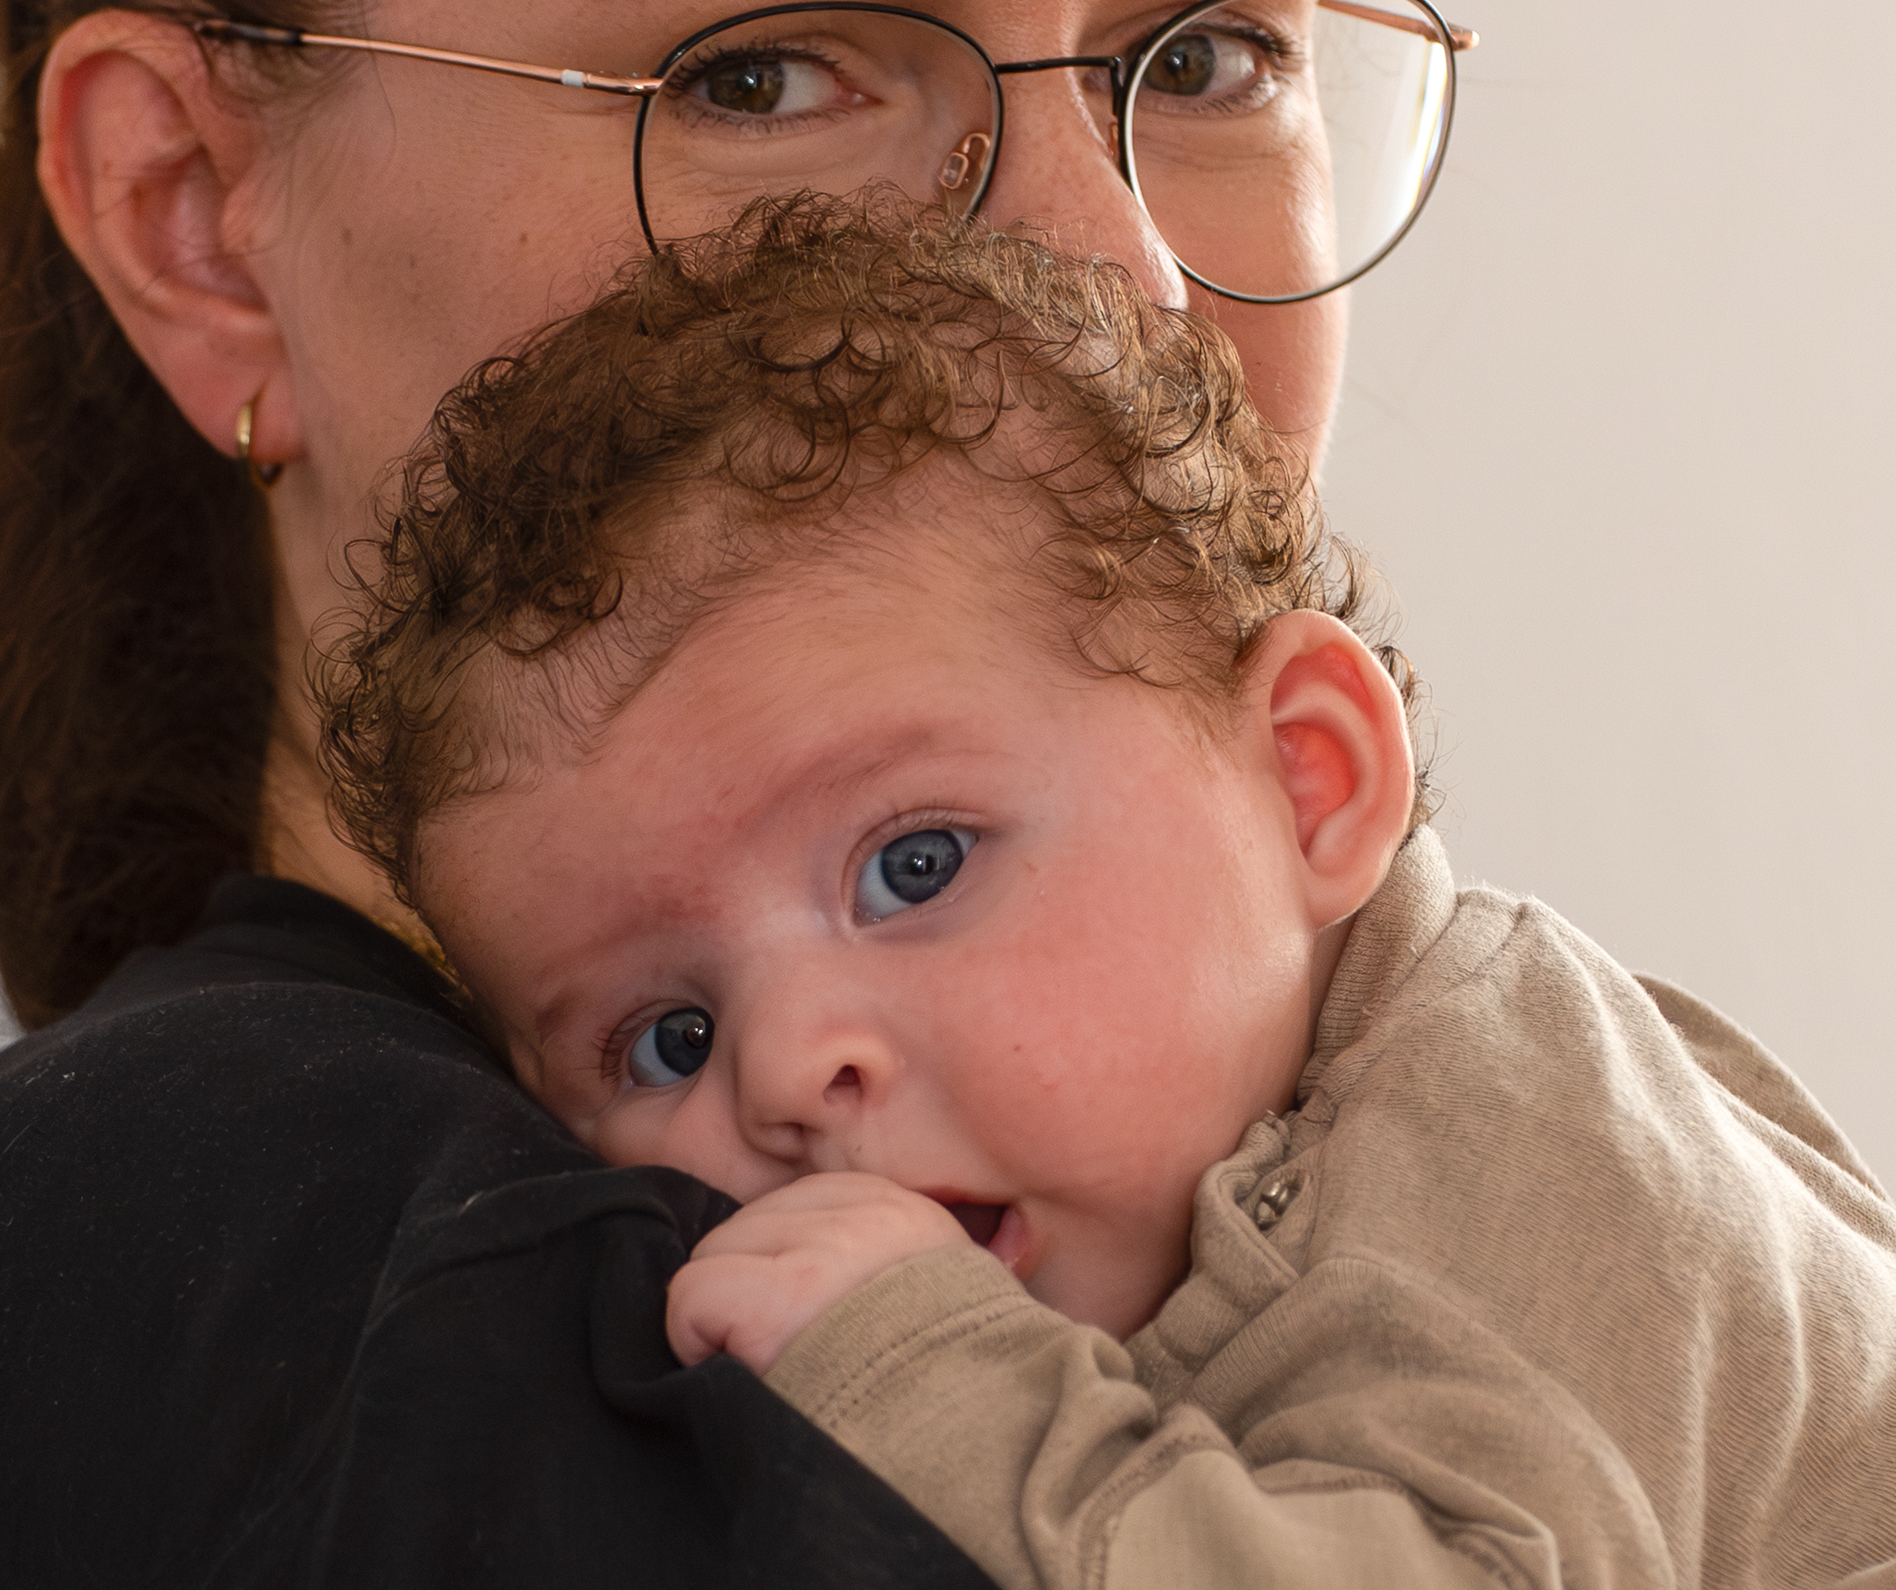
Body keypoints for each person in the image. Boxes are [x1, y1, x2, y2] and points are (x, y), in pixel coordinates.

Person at [0, 0, 1475, 1580]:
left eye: (1215, 53)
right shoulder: (316, 1318)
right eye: (762, 77)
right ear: (197, 220)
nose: (1114, 293)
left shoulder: (1503, 1186)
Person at [313, 204, 1896, 1589]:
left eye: (914, 867)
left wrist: (925, 1372)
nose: (788, 1071)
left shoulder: (1500, 1144)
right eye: (670, 1038)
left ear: (1308, 784)